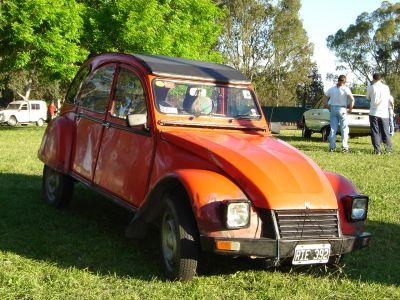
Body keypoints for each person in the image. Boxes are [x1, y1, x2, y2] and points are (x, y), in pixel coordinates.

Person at [322, 75, 355, 152]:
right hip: (342, 109)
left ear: (338, 80)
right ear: (344, 81)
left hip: (333, 108)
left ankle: (332, 147)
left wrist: (328, 107)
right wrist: (350, 109)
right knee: (344, 129)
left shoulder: (332, 89)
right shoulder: (346, 89)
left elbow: (324, 98)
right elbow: (352, 100)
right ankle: (344, 147)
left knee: (333, 129)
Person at [367, 73, 393, 154]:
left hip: (374, 112)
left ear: (373, 79)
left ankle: (377, 150)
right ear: (381, 78)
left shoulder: (371, 87)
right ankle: (388, 150)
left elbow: (368, 98)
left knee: (375, 132)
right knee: (385, 131)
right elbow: (389, 98)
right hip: (384, 113)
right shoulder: (386, 87)